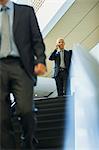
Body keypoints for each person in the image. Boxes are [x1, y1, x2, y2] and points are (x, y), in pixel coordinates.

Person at [0, 0, 47, 149]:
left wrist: (40, 60)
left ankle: (27, 142)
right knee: (1, 117)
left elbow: (37, 39)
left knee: (26, 110)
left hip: (21, 66)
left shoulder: (26, 11)